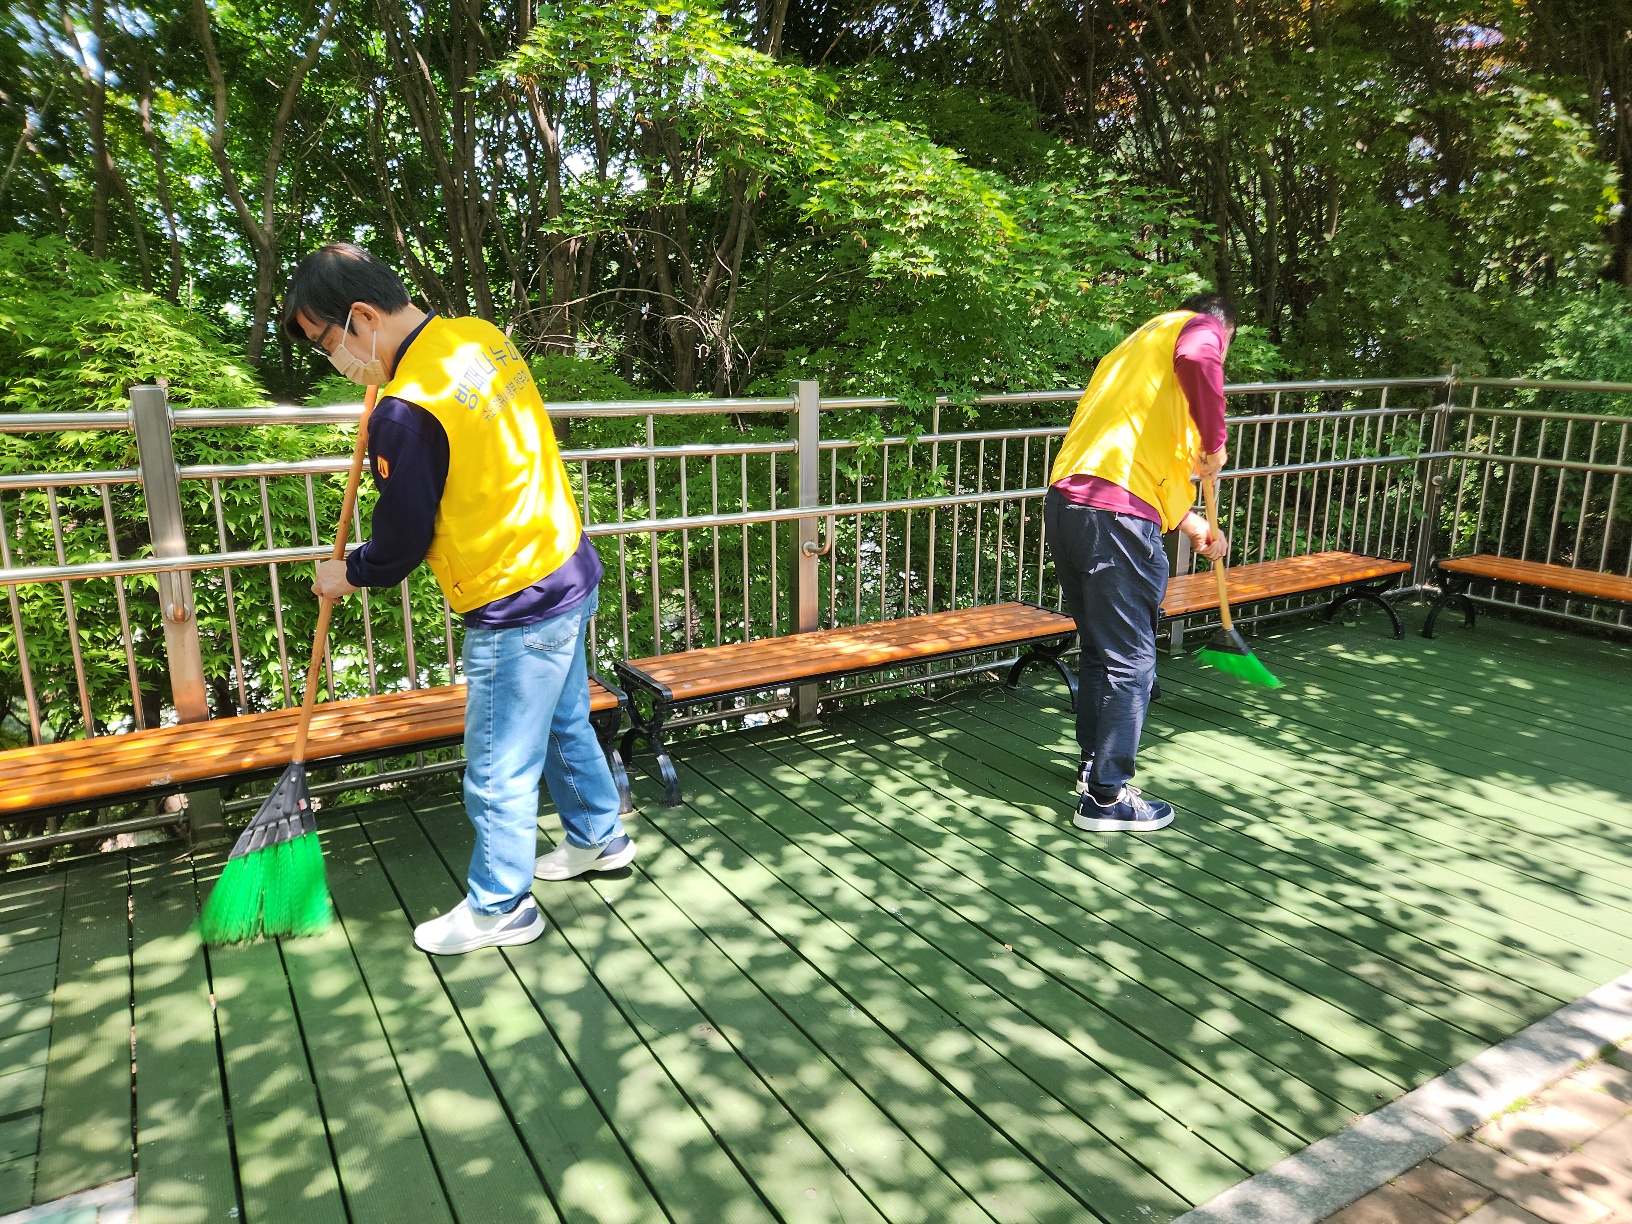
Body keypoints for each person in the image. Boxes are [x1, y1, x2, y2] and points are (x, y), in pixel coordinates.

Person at [282, 243, 635, 955]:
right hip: (565, 564)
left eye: (326, 343)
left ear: (362, 318)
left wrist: (349, 572)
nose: (334, 361)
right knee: (564, 720)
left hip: (515, 599)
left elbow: (402, 540)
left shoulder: (406, 408)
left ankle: (502, 907)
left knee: (499, 767)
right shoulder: (478, 336)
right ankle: (600, 838)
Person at [1043, 293, 1234, 833]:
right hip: (1117, 520)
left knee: (1101, 649)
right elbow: (1199, 357)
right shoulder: (1198, 330)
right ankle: (1105, 800)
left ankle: (1093, 768)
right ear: (1222, 330)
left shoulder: (1130, 352)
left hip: (1069, 505)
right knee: (1131, 660)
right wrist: (1215, 442)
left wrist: (1191, 523)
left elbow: (1134, 460)